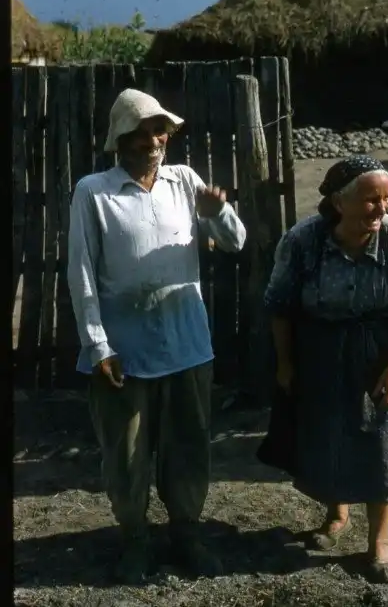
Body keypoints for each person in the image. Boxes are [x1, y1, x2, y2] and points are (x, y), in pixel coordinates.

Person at [67, 89, 246, 583]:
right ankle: (135, 542)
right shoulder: (94, 191)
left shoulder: (184, 180)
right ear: (119, 138)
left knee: (188, 447)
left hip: (186, 342)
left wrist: (215, 212)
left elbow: (235, 242)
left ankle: (187, 535)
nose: (153, 142)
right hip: (124, 349)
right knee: (126, 455)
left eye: (159, 131)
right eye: (141, 133)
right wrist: (98, 344)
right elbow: (81, 272)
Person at [263, 155, 388, 583]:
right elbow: (279, 306)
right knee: (327, 437)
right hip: (321, 350)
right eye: (372, 199)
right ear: (339, 202)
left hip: (381, 352)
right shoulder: (303, 240)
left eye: (386, 199)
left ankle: (380, 539)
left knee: (384, 443)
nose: (382, 208)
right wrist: (286, 364)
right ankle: (337, 514)